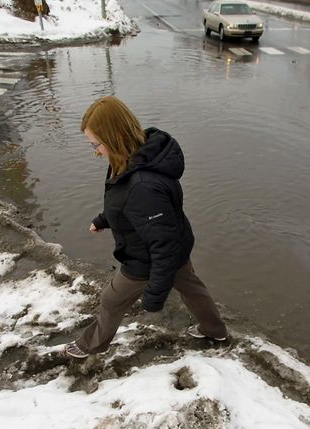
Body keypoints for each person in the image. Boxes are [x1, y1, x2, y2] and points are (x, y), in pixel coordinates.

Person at [65, 96, 228, 359]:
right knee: (192, 288)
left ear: (115, 136)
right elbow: (129, 207)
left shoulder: (142, 185)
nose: (95, 151)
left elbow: (161, 241)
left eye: (96, 144)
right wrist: (103, 219)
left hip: (146, 259)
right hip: (175, 243)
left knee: (111, 300)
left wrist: (154, 295)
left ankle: (89, 345)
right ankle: (215, 330)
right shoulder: (137, 158)